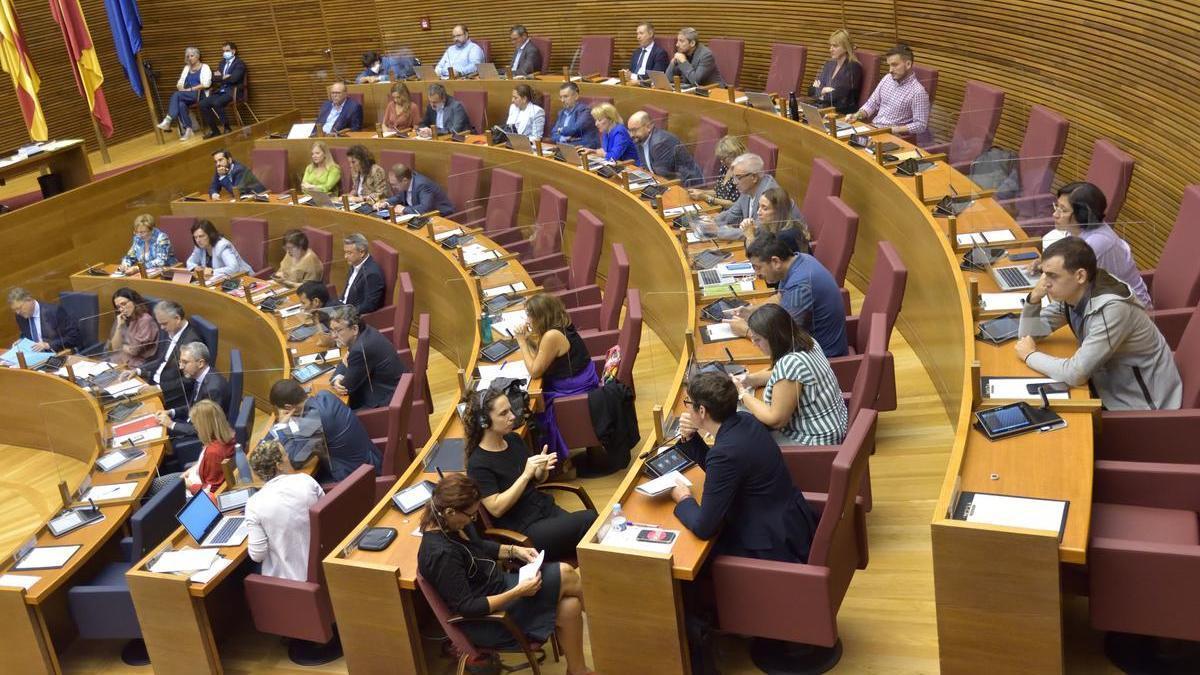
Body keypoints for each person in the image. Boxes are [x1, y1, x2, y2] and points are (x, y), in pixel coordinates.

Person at [416, 473, 592, 675]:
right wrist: (518, 592)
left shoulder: (449, 524)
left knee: (570, 607)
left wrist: (514, 550)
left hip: (498, 587)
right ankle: (608, 625)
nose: (473, 520)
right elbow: (468, 607)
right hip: (488, 619)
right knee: (566, 572)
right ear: (449, 511)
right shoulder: (441, 554)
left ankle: (578, 671)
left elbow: (479, 546)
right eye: (471, 516)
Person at [1016, 236, 1181, 410]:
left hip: (1140, 404)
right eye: (1043, 274)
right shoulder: (1074, 292)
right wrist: (1033, 298)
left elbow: (1076, 373)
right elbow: (1028, 336)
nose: (1045, 283)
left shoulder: (1111, 309)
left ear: (1080, 275)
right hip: (1108, 384)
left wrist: (1030, 356)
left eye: (1052, 276)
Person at [669, 371, 817, 561]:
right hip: (792, 525)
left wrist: (684, 500)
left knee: (689, 557)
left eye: (689, 403)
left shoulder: (724, 454)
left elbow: (704, 527)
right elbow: (727, 471)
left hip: (768, 547)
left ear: (703, 411)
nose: (687, 409)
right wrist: (690, 437)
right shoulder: (747, 420)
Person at [465, 388, 598, 561]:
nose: (512, 416)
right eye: (503, 413)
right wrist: (526, 475)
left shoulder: (513, 439)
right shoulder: (478, 463)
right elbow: (496, 508)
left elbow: (536, 481)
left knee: (592, 540)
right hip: (524, 531)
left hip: (544, 510)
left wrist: (540, 471)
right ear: (484, 421)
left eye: (510, 410)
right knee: (590, 520)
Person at [735, 304, 848, 445]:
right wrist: (749, 380)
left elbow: (775, 420)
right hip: (835, 424)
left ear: (774, 338)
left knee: (740, 434)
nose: (754, 344)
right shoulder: (807, 341)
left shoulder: (790, 364)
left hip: (815, 443)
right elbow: (783, 376)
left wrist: (742, 394)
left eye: (757, 339)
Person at [728, 233, 849, 358]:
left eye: (758, 267)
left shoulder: (801, 286)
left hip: (822, 359)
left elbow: (784, 338)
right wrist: (751, 311)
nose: (757, 274)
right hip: (805, 346)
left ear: (775, 261)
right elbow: (781, 297)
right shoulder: (798, 260)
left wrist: (747, 331)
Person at [514, 293, 599, 461]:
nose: (528, 320)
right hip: (584, 377)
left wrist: (521, 341)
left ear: (540, 317)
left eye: (530, 316)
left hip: (574, 387)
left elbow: (535, 371)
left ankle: (556, 462)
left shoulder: (552, 336)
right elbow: (542, 356)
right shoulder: (560, 323)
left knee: (533, 406)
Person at [1045, 181, 1152, 309]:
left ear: (1082, 214)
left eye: (1063, 210)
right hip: (1102, 302)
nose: (1055, 214)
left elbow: (1072, 286)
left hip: (1130, 312)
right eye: (1056, 206)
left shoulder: (1096, 243)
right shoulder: (1077, 230)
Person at [268, 379, 380, 482]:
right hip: (371, 459)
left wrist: (282, 426)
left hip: (355, 477)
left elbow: (294, 461)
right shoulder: (325, 395)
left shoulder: (311, 422)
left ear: (288, 407)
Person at [245, 440, 325, 581]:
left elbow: (258, 555)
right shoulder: (306, 481)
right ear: (279, 465)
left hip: (288, 580)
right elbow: (326, 515)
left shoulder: (254, 504)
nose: (288, 456)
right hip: (324, 563)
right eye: (285, 454)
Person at [121, 300, 202, 413]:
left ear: (177, 319)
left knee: (130, 413)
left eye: (164, 323)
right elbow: (162, 360)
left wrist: (158, 389)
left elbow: (189, 380)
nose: (162, 328)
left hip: (170, 394)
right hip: (153, 384)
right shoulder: (173, 331)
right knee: (120, 400)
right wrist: (138, 370)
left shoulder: (191, 341)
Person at [328, 305, 406, 410]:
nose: (333, 336)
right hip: (389, 388)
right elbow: (346, 360)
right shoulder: (364, 332)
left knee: (335, 416)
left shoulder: (360, 349)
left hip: (386, 401)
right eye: (332, 330)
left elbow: (346, 387)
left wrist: (338, 379)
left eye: (338, 330)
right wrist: (338, 376)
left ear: (354, 328)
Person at [848, 43, 929, 139]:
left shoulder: (918, 92)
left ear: (908, 64)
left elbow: (920, 125)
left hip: (892, 137)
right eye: (889, 65)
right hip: (874, 129)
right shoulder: (887, 78)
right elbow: (872, 103)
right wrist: (857, 115)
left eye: (894, 65)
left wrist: (894, 129)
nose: (890, 70)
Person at [155, 341, 229, 439]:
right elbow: (194, 406)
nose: (180, 367)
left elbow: (206, 429)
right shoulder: (199, 377)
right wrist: (171, 412)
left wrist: (171, 424)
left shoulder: (213, 389)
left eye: (185, 362)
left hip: (200, 438)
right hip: (191, 422)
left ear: (200, 363)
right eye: (180, 362)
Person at [712, 153, 801, 228]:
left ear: (754, 177)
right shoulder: (747, 189)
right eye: (734, 177)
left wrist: (717, 231)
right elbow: (732, 214)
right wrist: (711, 221)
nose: (734, 182)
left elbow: (755, 232)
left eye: (738, 178)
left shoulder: (769, 196)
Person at [627, 110, 702, 187]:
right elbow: (646, 167)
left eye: (634, 130)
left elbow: (664, 176)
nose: (631, 135)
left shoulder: (660, 143)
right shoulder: (639, 140)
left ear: (648, 127)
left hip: (688, 185)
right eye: (629, 131)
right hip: (664, 181)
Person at [176, 399, 237, 494]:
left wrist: (188, 484)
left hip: (197, 493)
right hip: (194, 476)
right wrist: (191, 470)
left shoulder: (214, 452)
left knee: (162, 487)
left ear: (204, 426)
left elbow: (211, 491)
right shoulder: (229, 435)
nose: (195, 428)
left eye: (195, 424)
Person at [156, 46, 210, 140]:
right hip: (186, 95)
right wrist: (181, 87)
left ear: (197, 56)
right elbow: (179, 83)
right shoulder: (186, 68)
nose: (189, 58)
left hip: (199, 94)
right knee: (181, 104)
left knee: (176, 95)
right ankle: (188, 129)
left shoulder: (205, 67)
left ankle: (168, 120)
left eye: (192, 56)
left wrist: (190, 89)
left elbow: (206, 83)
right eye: (188, 56)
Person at [9, 287, 81, 352]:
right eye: (15, 310)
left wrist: (48, 345)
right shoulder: (20, 316)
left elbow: (73, 337)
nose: (18, 312)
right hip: (36, 356)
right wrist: (22, 341)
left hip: (59, 353)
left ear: (29, 300)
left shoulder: (54, 312)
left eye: (19, 308)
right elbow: (26, 334)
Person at [809, 29, 863, 114]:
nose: (831, 49)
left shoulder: (853, 67)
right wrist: (823, 90)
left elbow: (837, 96)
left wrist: (820, 92)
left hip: (841, 114)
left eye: (835, 46)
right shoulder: (829, 65)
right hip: (823, 109)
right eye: (830, 46)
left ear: (846, 47)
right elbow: (812, 89)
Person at [742, 185, 810, 253]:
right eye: (759, 206)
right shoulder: (767, 228)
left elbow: (760, 258)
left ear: (779, 211)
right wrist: (751, 232)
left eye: (765, 208)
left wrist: (750, 236)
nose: (758, 212)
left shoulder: (787, 235)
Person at [199, 41, 245, 137]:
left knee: (217, 103)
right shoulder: (222, 63)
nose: (225, 53)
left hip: (233, 92)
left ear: (234, 51)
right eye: (223, 51)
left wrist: (222, 77)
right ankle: (215, 131)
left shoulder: (239, 63)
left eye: (227, 50)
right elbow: (214, 79)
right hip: (221, 91)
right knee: (203, 103)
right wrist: (225, 77)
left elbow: (234, 79)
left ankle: (227, 127)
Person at [687, 135, 746, 208]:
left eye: (724, 158)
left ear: (735, 154)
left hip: (730, 213)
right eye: (720, 159)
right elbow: (719, 192)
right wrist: (701, 192)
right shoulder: (725, 166)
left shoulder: (743, 172)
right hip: (718, 208)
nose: (722, 162)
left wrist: (706, 197)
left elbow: (734, 205)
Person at [107, 287, 159, 368]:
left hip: (139, 364)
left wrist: (122, 346)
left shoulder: (145, 320)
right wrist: (119, 326)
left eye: (124, 304)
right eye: (118, 307)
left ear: (134, 302)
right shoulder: (122, 319)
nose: (121, 309)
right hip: (122, 358)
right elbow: (115, 347)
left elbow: (134, 351)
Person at [376, 163, 455, 216]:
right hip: (419, 216)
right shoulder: (407, 182)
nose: (393, 187)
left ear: (404, 181)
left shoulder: (422, 185)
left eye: (394, 184)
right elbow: (399, 196)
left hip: (441, 216)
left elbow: (425, 209)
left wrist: (404, 209)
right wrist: (386, 203)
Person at [186, 219, 253, 277]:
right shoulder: (199, 247)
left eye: (201, 236)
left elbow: (234, 268)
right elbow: (189, 262)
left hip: (244, 278)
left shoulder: (222, 246)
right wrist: (195, 268)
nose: (198, 240)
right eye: (195, 237)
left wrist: (212, 272)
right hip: (220, 281)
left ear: (210, 234)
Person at [340, 233, 385, 314]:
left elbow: (369, 306)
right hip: (344, 307)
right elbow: (347, 290)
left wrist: (346, 313)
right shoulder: (355, 263)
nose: (345, 256)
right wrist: (339, 305)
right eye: (345, 252)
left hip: (354, 317)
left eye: (349, 253)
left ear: (362, 253)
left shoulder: (372, 274)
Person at [548, 82, 599, 148]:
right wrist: (564, 138)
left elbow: (574, 129)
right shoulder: (562, 113)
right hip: (566, 149)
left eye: (566, 96)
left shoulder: (585, 111)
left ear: (576, 96)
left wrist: (560, 130)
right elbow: (553, 134)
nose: (562, 100)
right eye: (561, 97)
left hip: (584, 149)